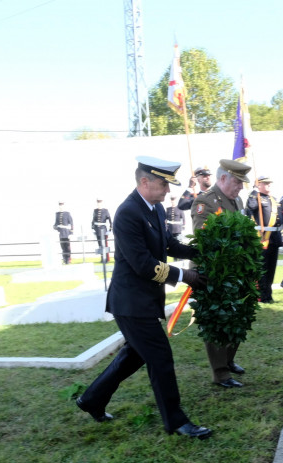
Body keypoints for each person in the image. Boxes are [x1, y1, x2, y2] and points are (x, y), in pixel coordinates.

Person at [76, 156, 212, 439]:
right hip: (131, 302)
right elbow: (142, 264)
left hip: (145, 300)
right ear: (144, 181)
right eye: (164, 183)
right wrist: (186, 276)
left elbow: (169, 244)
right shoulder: (128, 213)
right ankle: (175, 420)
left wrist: (202, 252)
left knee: (134, 355)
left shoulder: (156, 208)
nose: (167, 190)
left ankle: (91, 400)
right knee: (160, 357)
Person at [191, 159, 251, 388]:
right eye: (237, 182)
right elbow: (204, 237)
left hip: (234, 269)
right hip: (212, 271)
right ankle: (220, 373)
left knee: (238, 317)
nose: (240, 187)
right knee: (217, 322)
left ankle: (228, 360)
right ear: (223, 178)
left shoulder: (236, 199)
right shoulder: (205, 201)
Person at [245, 175, 282, 304]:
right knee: (263, 269)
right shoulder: (256, 197)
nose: (268, 186)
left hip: (274, 239)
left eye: (270, 183)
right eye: (265, 184)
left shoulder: (274, 200)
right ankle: (262, 296)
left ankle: (269, 295)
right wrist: (254, 191)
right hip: (262, 239)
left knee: (271, 269)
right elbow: (250, 207)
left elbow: (279, 219)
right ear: (259, 184)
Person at [91, 199, 112, 263]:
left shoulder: (105, 211)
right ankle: (102, 258)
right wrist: (92, 228)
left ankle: (106, 259)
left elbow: (110, 220)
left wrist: (110, 229)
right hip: (97, 230)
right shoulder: (95, 211)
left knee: (104, 245)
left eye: (99, 203)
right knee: (100, 245)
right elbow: (93, 220)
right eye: (97, 203)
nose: (98, 204)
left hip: (103, 230)